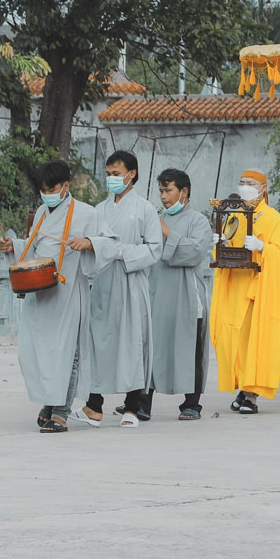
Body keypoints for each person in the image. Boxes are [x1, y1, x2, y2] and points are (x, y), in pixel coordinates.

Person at [0, 160, 103, 433]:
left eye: (51, 189)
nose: (47, 194)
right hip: (41, 293)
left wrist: (88, 243)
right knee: (36, 352)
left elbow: (107, 243)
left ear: (66, 186)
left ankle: (60, 412)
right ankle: (48, 402)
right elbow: (35, 247)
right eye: (43, 190)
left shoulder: (87, 213)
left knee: (67, 353)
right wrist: (14, 246)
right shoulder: (42, 212)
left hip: (69, 294)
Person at [210, 170, 280, 414]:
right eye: (242, 182)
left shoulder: (273, 219)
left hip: (259, 290)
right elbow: (224, 250)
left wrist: (262, 247)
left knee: (255, 342)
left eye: (250, 183)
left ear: (263, 188)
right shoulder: (234, 216)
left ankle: (251, 396)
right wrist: (220, 243)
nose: (245, 186)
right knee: (234, 342)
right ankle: (243, 388)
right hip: (235, 290)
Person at [83, 149, 161, 427]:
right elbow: (92, 244)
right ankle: (94, 405)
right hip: (103, 281)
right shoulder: (99, 210)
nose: (111, 179)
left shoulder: (145, 209)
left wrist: (119, 252)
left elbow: (154, 249)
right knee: (97, 341)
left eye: (116, 174)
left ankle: (132, 407)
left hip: (131, 280)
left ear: (131, 174)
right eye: (108, 174)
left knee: (132, 342)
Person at [149, 167, 212, 421]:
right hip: (159, 292)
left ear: (183, 192)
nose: (163, 197)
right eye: (161, 191)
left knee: (190, 349)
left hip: (187, 295)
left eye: (168, 190)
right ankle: (142, 402)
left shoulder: (198, 221)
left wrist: (165, 230)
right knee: (153, 347)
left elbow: (193, 253)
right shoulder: (155, 218)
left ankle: (191, 403)